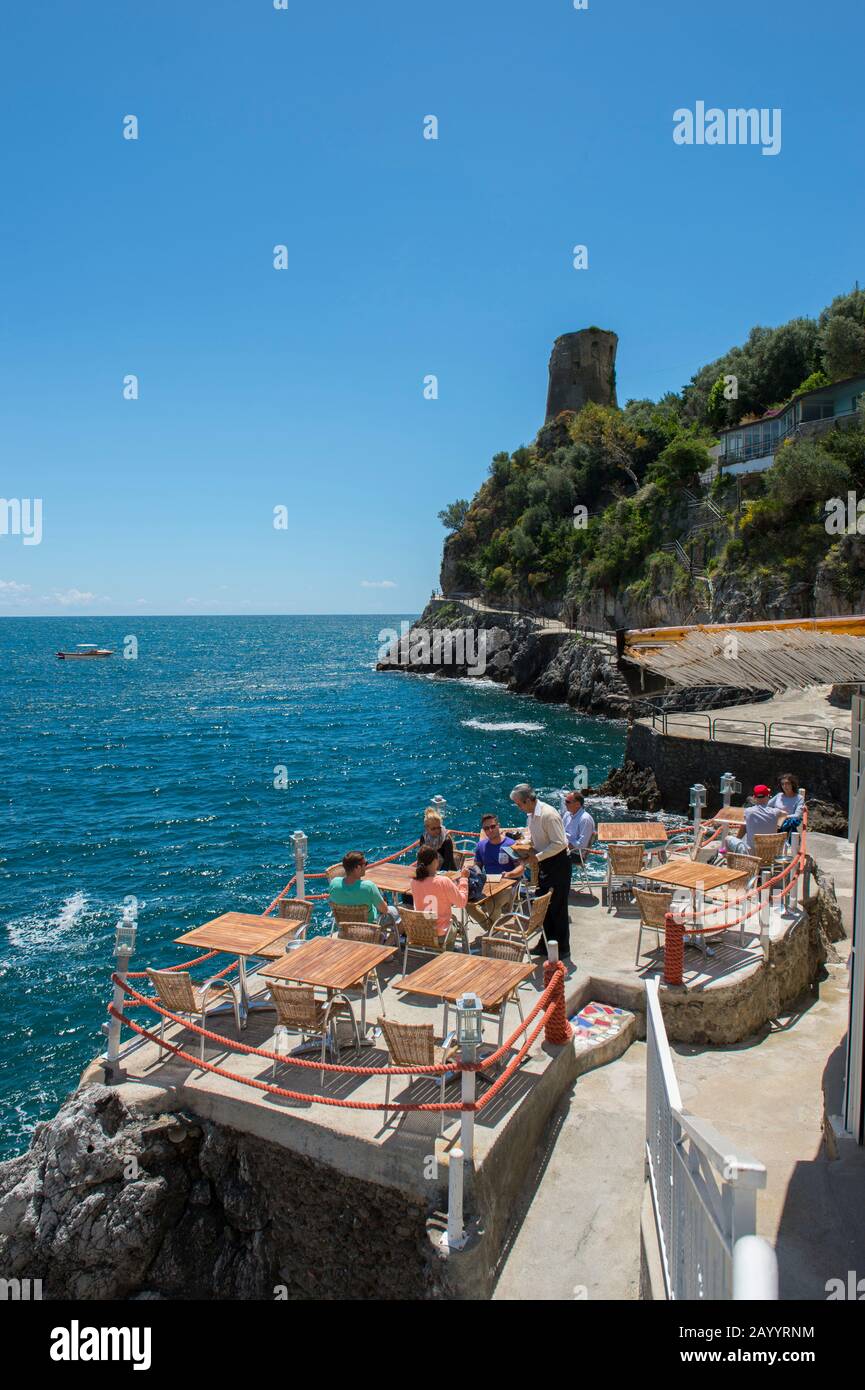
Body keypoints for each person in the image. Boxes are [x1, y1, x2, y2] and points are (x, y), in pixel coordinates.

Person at [510, 782, 571, 959]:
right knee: (543, 906)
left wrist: (536, 857)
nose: (518, 807)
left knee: (558, 908)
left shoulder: (548, 815)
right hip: (545, 861)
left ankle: (562, 948)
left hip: (558, 863)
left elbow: (559, 844)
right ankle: (546, 944)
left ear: (528, 800)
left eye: (519, 804)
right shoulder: (531, 816)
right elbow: (536, 838)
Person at [468, 813, 525, 928]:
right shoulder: (481, 846)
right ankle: (491, 928)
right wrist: (477, 872)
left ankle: (492, 930)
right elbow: (477, 864)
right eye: (486, 828)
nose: (490, 830)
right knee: (466, 901)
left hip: (508, 886)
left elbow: (521, 868)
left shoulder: (510, 845)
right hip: (488, 884)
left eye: (493, 826)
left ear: (498, 826)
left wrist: (509, 874)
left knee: (491, 902)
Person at [409, 846, 469, 936]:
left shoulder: (413, 882)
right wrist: (464, 879)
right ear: (435, 861)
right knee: (455, 922)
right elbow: (461, 903)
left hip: (423, 931)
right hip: (442, 933)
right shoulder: (443, 881)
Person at [328, 850, 391, 925]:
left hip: (345, 929)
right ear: (358, 867)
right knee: (396, 912)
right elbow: (385, 910)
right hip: (369, 929)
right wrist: (385, 902)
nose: (366, 866)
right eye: (365, 864)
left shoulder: (334, 884)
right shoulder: (369, 887)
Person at [724, 785, 783, 855]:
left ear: (754, 797)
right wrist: (778, 825)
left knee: (727, 839)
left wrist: (738, 839)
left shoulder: (748, 811)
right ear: (768, 797)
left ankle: (732, 863)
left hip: (752, 854)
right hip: (770, 854)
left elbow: (742, 830)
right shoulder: (776, 812)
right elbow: (785, 814)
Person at [418, 807, 457, 872]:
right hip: (431, 870)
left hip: (448, 870)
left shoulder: (446, 839)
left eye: (439, 828)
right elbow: (421, 859)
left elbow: (448, 861)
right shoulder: (424, 838)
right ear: (427, 828)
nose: (437, 831)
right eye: (433, 828)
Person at [562, 791, 596, 857]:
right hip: (565, 848)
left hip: (576, 853)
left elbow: (581, 846)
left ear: (577, 804)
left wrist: (562, 846)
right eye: (565, 801)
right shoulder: (567, 814)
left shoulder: (585, 819)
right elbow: (560, 832)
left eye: (568, 802)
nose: (565, 804)